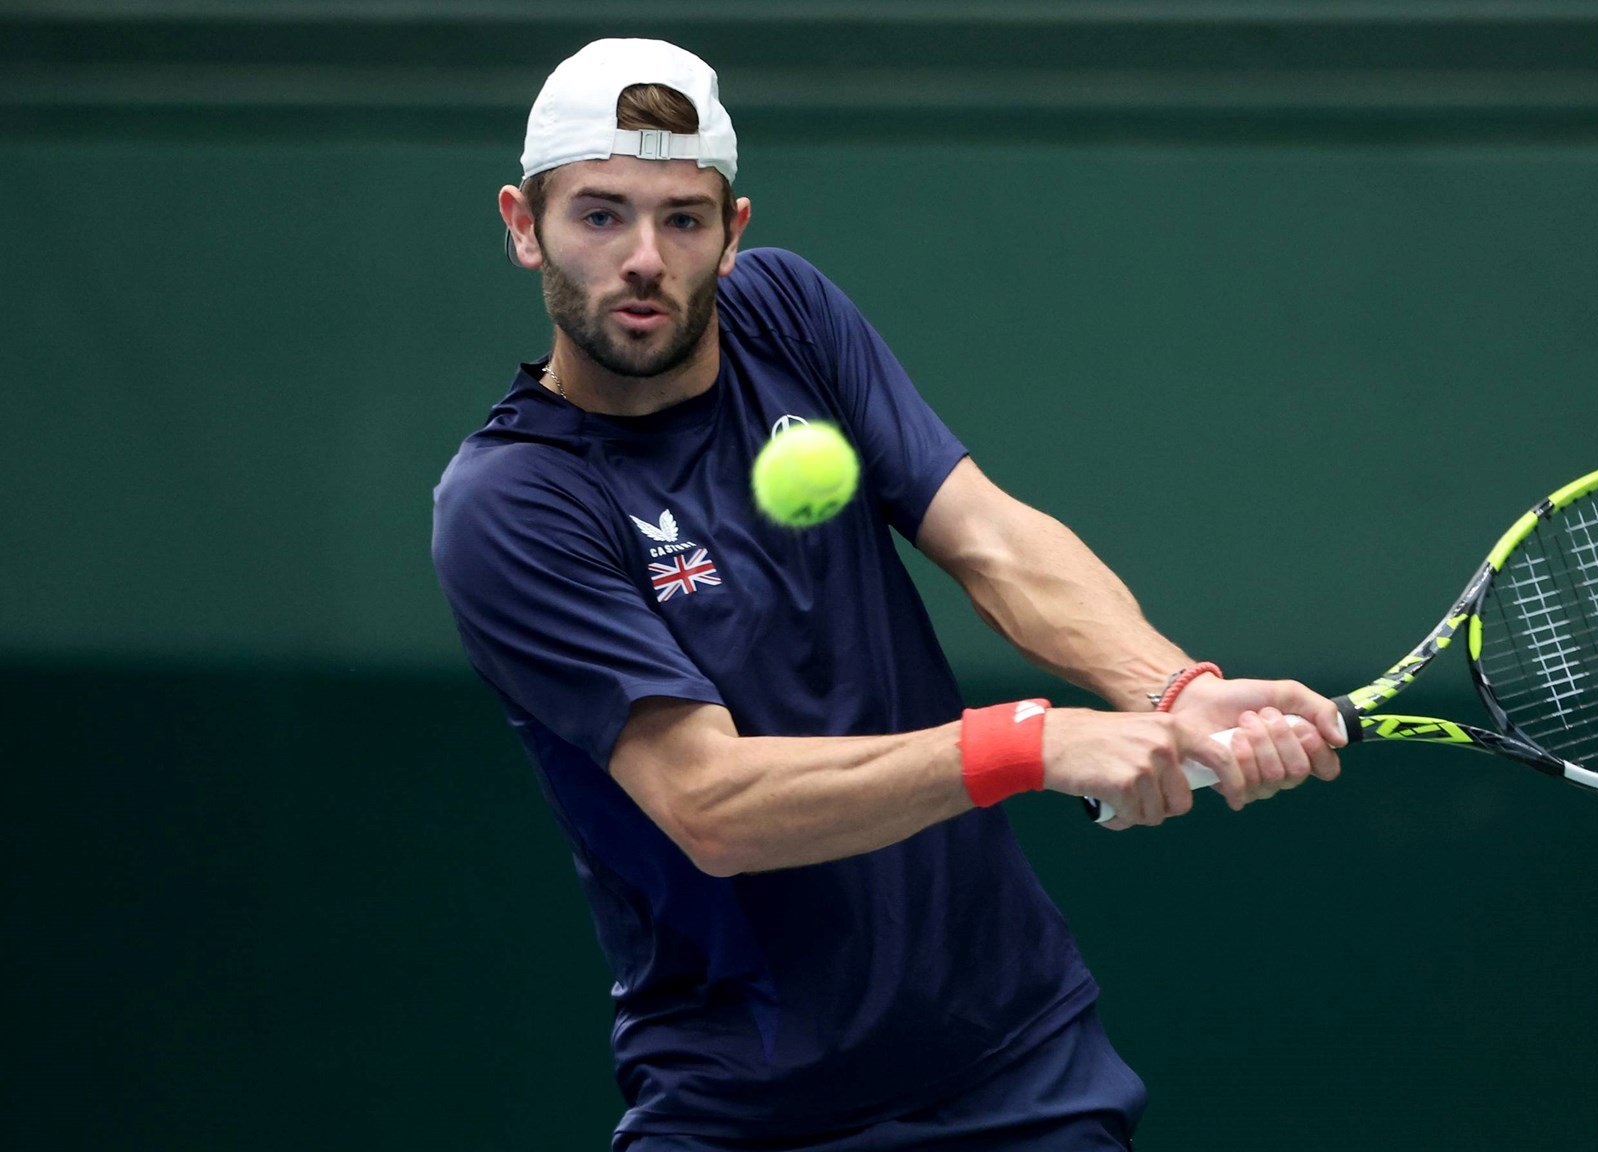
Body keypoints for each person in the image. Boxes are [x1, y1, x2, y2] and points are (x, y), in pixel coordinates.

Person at [431, 37, 1348, 1152]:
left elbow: (991, 539)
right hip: (749, 1111)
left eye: (682, 218)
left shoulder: (789, 316)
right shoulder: (513, 503)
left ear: (733, 232)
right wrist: (1030, 744)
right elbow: (708, 802)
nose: (642, 258)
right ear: (524, 225)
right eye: (599, 215)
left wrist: (1170, 684)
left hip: (1015, 1066)